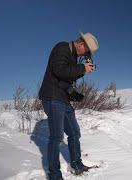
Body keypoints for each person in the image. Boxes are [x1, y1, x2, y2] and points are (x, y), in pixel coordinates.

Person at [38, 32, 99, 180]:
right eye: (86, 51)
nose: (85, 54)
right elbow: (60, 71)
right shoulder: (62, 48)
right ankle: (54, 175)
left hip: (63, 99)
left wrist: (80, 78)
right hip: (52, 98)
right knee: (57, 136)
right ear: (81, 43)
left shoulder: (73, 57)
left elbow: (66, 79)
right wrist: (82, 68)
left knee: (74, 133)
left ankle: (77, 165)